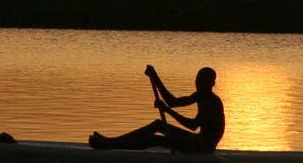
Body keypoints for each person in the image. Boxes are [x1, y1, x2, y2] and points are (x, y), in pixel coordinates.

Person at [89, 64, 225, 153]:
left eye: (202, 81)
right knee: (158, 125)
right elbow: (172, 101)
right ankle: (111, 142)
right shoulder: (200, 95)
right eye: (197, 79)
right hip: (198, 141)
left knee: (155, 139)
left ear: (211, 84)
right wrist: (155, 77)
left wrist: (167, 110)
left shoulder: (212, 102)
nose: (198, 83)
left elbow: (193, 125)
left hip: (202, 148)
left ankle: (109, 146)